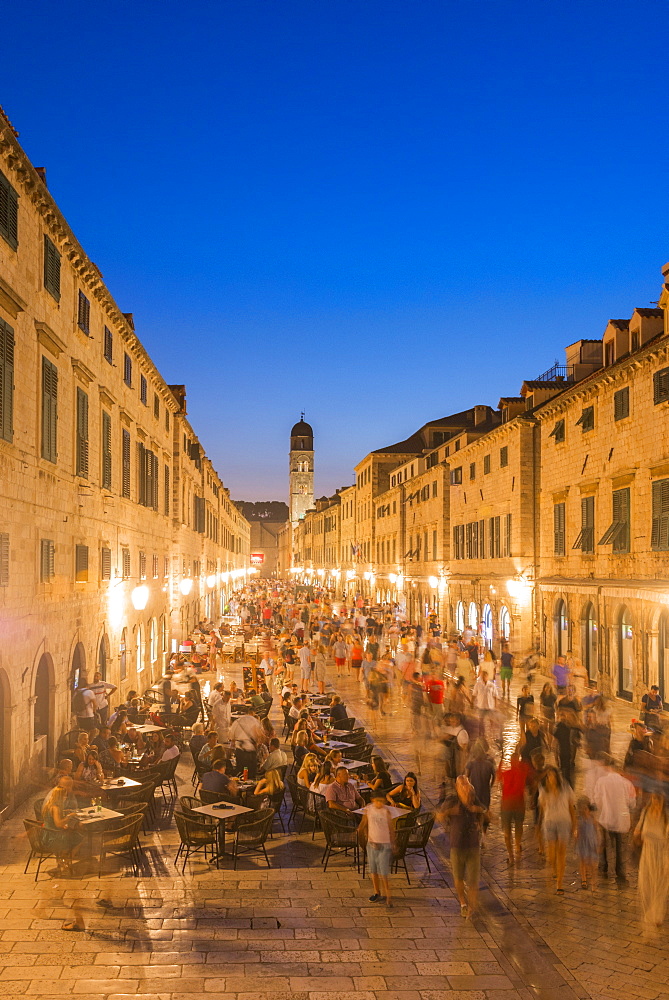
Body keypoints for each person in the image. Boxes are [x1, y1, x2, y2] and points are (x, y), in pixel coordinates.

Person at [439, 774, 486, 918]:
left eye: (467, 784)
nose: (466, 787)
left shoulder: (474, 798)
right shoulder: (452, 800)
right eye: (463, 784)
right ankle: (463, 902)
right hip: (457, 845)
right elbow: (438, 817)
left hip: (473, 845)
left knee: (473, 879)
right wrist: (449, 812)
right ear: (457, 787)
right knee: (458, 877)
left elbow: (483, 811)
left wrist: (478, 814)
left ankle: (471, 907)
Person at [593, 754, 636, 884]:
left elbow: (597, 800)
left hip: (606, 817)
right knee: (619, 847)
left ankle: (604, 866)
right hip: (621, 819)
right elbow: (631, 802)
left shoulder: (601, 782)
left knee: (605, 843)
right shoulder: (627, 783)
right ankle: (619, 870)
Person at [634, 793, 669, 935]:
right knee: (647, 883)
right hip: (647, 853)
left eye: (658, 804)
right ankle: (649, 913)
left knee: (659, 885)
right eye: (653, 802)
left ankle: (658, 915)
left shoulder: (666, 818)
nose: (656, 806)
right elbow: (638, 829)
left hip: (661, 854)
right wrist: (637, 834)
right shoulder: (645, 812)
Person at [538, 766, 576, 893]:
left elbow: (571, 807)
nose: (551, 779)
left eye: (553, 776)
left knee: (561, 853)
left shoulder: (565, 788)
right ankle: (553, 868)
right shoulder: (543, 790)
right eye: (548, 776)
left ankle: (559, 883)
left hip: (564, 822)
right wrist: (539, 825)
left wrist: (575, 825)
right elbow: (542, 809)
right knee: (551, 855)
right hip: (549, 823)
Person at [358, 791, 397, 908]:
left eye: (381, 801)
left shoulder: (386, 811)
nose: (379, 803)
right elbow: (364, 824)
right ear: (372, 800)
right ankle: (376, 892)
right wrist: (363, 834)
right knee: (373, 870)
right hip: (372, 843)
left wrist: (393, 843)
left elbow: (391, 828)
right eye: (377, 801)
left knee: (383, 871)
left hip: (385, 844)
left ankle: (388, 895)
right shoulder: (368, 809)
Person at [40, 778, 83, 874]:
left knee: (71, 834)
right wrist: (69, 817)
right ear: (60, 797)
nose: (65, 798)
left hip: (47, 834)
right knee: (80, 838)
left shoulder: (49, 804)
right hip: (53, 837)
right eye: (64, 796)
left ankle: (62, 861)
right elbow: (58, 823)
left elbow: (53, 822)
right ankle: (67, 861)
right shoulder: (56, 807)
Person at [497, 749, 529, 864]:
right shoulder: (523, 771)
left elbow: (498, 776)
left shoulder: (507, 774)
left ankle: (511, 855)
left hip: (507, 805)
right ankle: (517, 847)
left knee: (507, 832)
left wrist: (501, 758)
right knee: (518, 827)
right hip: (518, 804)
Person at [465, 742, 495, 842]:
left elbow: (466, 777)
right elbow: (494, 776)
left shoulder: (471, 764)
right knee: (485, 812)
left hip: (475, 793)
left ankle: (478, 834)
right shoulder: (489, 765)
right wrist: (491, 785)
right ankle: (484, 835)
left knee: (476, 814)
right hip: (486, 792)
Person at [229, 707, 264, 779]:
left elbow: (231, 738)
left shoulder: (237, 722)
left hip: (240, 751)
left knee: (241, 774)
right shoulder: (255, 722)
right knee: (251, 775)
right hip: (251, 752)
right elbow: (261, 737)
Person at [575, 796, 599, 891]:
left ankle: (593, 880)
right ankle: (584, 879)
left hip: (591, 842)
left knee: (593, 862)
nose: (585, 811)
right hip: (583, 842)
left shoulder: (593, 819)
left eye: (586, 809)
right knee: (583, 861)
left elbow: (596, 831)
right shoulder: (580, 820)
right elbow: (578, 831)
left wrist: (597, 842)